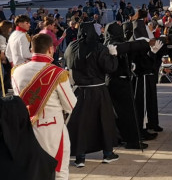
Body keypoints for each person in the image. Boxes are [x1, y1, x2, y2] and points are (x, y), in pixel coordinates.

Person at [11, 34, 85, 180]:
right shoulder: (56, 73)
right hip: (52, 130)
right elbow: (71, 104)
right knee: (59, 175)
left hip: (27, 129)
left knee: (32, 174)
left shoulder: (17, 71)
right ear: (51, 49)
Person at [66, 22, 121, 166]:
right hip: (98, 90)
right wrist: (113, 56)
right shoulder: (99, 47)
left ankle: (80, 157)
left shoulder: (72, 47)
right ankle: (108, 153)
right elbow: (110, 67)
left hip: (80, 90)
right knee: (104, 121)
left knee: (81, 124)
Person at [102, 23, 154, 150]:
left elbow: (130, 49)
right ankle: (130, 140)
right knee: (126, 113)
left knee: (122, 113)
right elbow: (127, 47)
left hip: (121, 81)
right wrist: (145, 43)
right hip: (117, 81)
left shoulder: (119, 44)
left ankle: (123, 138)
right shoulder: (110, 45)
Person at [130, 21, 164, 134]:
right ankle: (143, 126)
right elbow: (142, 63)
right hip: (141, 77)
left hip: (149, 75)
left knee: (152, 101)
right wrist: (152, 53)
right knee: (143, 103)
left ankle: (153, 122)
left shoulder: (145, 41)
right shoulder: (134, 44)